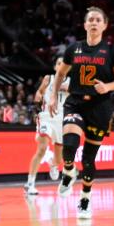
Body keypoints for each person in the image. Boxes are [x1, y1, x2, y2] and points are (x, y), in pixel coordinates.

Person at [49, 7, 114, 220]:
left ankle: (85, 197)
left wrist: (108, 87)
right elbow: (60, 73)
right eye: (90, 20)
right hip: (75, 103)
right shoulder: (73, 48)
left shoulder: (112, 51)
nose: (93, 23)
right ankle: (68, 170)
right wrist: (54, 96)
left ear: (104, 25)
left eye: (97, 20)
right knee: (70, 144)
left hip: (99, 107)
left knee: (89, 159)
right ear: (84, 25)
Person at [25, 58, 68, 194]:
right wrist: (37, 99)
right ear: (55, 67)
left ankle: (53, 163)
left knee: (59, 158)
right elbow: (40, 92)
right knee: (42, 148)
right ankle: (30, 183)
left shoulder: (71, 81)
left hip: (61, 120)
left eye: (64, 64)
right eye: (59, 63)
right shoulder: (48, 78)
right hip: (46, 117)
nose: (61, 66)